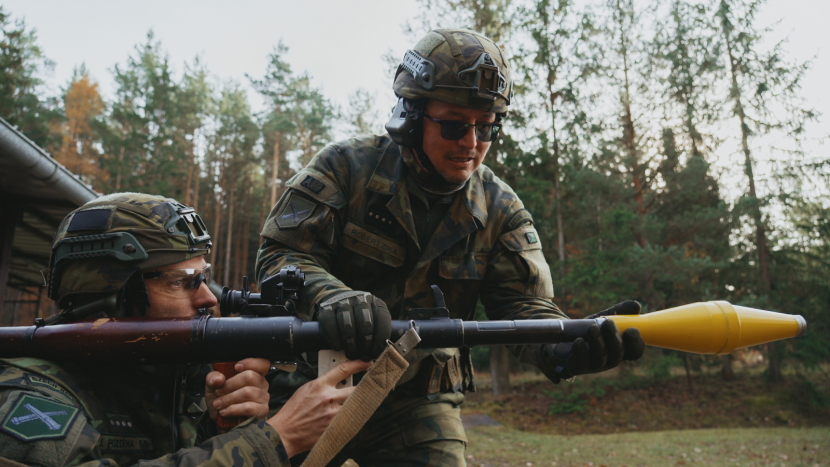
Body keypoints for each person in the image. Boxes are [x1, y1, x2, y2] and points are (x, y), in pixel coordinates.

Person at [256, 29, 645, 467]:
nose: (471, 143)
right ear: (411, 115)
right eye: (456, 125)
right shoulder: (345, 169)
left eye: (487, 127)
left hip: (417, 401)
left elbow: (522, 306)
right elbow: (280, 256)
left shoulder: (500, 208)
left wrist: (563, 347)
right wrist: (333, 299)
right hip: (314, 382)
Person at [0, 193, 369, 466]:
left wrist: (222, 430)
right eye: (184, 282)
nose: (209, 298)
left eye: (204, 278)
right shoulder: (32, 398)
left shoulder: (175, 376)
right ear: (114, 296)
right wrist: (273, 440)